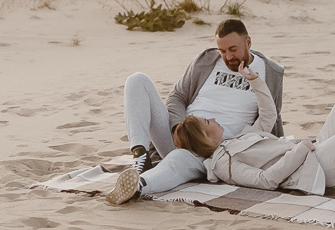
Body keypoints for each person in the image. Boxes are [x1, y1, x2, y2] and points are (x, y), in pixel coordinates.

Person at [109, 58, 335, 204]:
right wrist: (300, 148)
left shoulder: (237, 138)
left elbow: (268, 116)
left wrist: (256, 82)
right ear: (206, 139)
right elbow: (268, 181)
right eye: (209, 123)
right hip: (311, 165)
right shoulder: (223, 163)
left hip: (309, 151)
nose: (215, 120)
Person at [109, 19, 284, 203]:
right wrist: (177, 127)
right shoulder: (206, 60)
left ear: (248, 42)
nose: (228, 57)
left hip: (216, 153)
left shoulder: (269, 72)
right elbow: (177, 96)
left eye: (233, 49)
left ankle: (138, 186)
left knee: (180, 158)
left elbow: (272, 115)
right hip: (180, 136)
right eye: (222, 51)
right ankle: (140, 157)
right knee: (137, 80)